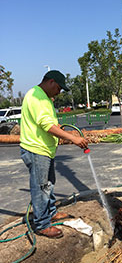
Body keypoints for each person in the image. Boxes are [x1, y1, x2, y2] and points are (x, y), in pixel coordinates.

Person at [20, 70, 88, 239]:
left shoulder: (44, 98)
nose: (59, 92)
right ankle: (42, 224)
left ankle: (50, 212)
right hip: (36, 150)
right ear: (50, 82)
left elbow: (50, 123)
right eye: (58, 88)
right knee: (41, 187)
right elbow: (46, 125)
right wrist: (73, 138)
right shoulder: (36, 96)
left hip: (44, 150)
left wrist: (60, 130)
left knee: (49, 183)